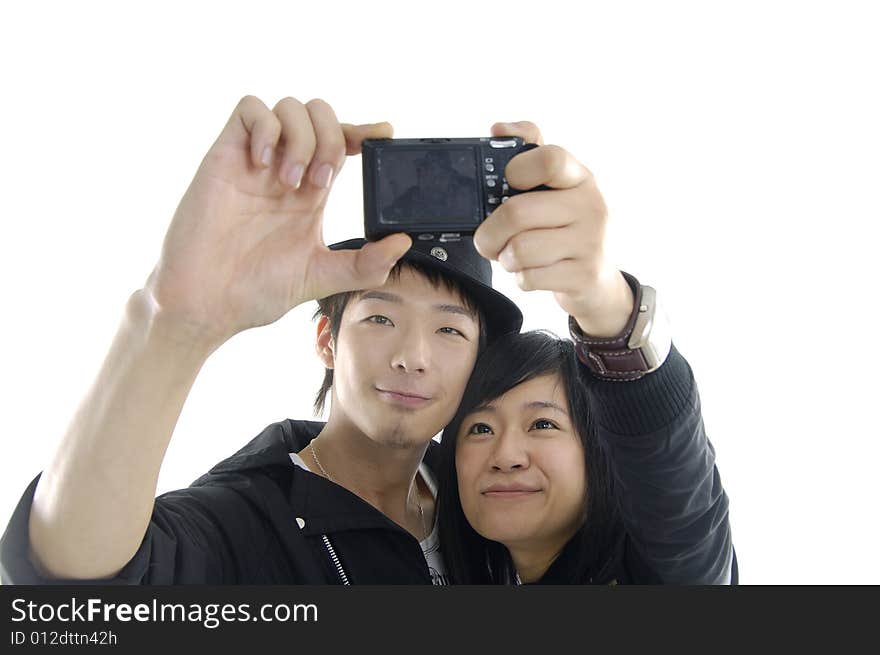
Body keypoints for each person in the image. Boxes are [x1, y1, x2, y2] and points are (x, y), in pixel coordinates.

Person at [0, 96, 522, 584]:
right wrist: (174, 322)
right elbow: (73, 585)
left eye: (450, 329)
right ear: (326, 339)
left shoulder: (485, 492)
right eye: (380, 320)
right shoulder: (244, 518)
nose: (413, 357)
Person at [437, 330, 736, 585]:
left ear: (599, 449)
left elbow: (676, 485)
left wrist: (615, 322)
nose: (505, 456)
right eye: (481, 428)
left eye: (542, 424)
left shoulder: (659, 571)